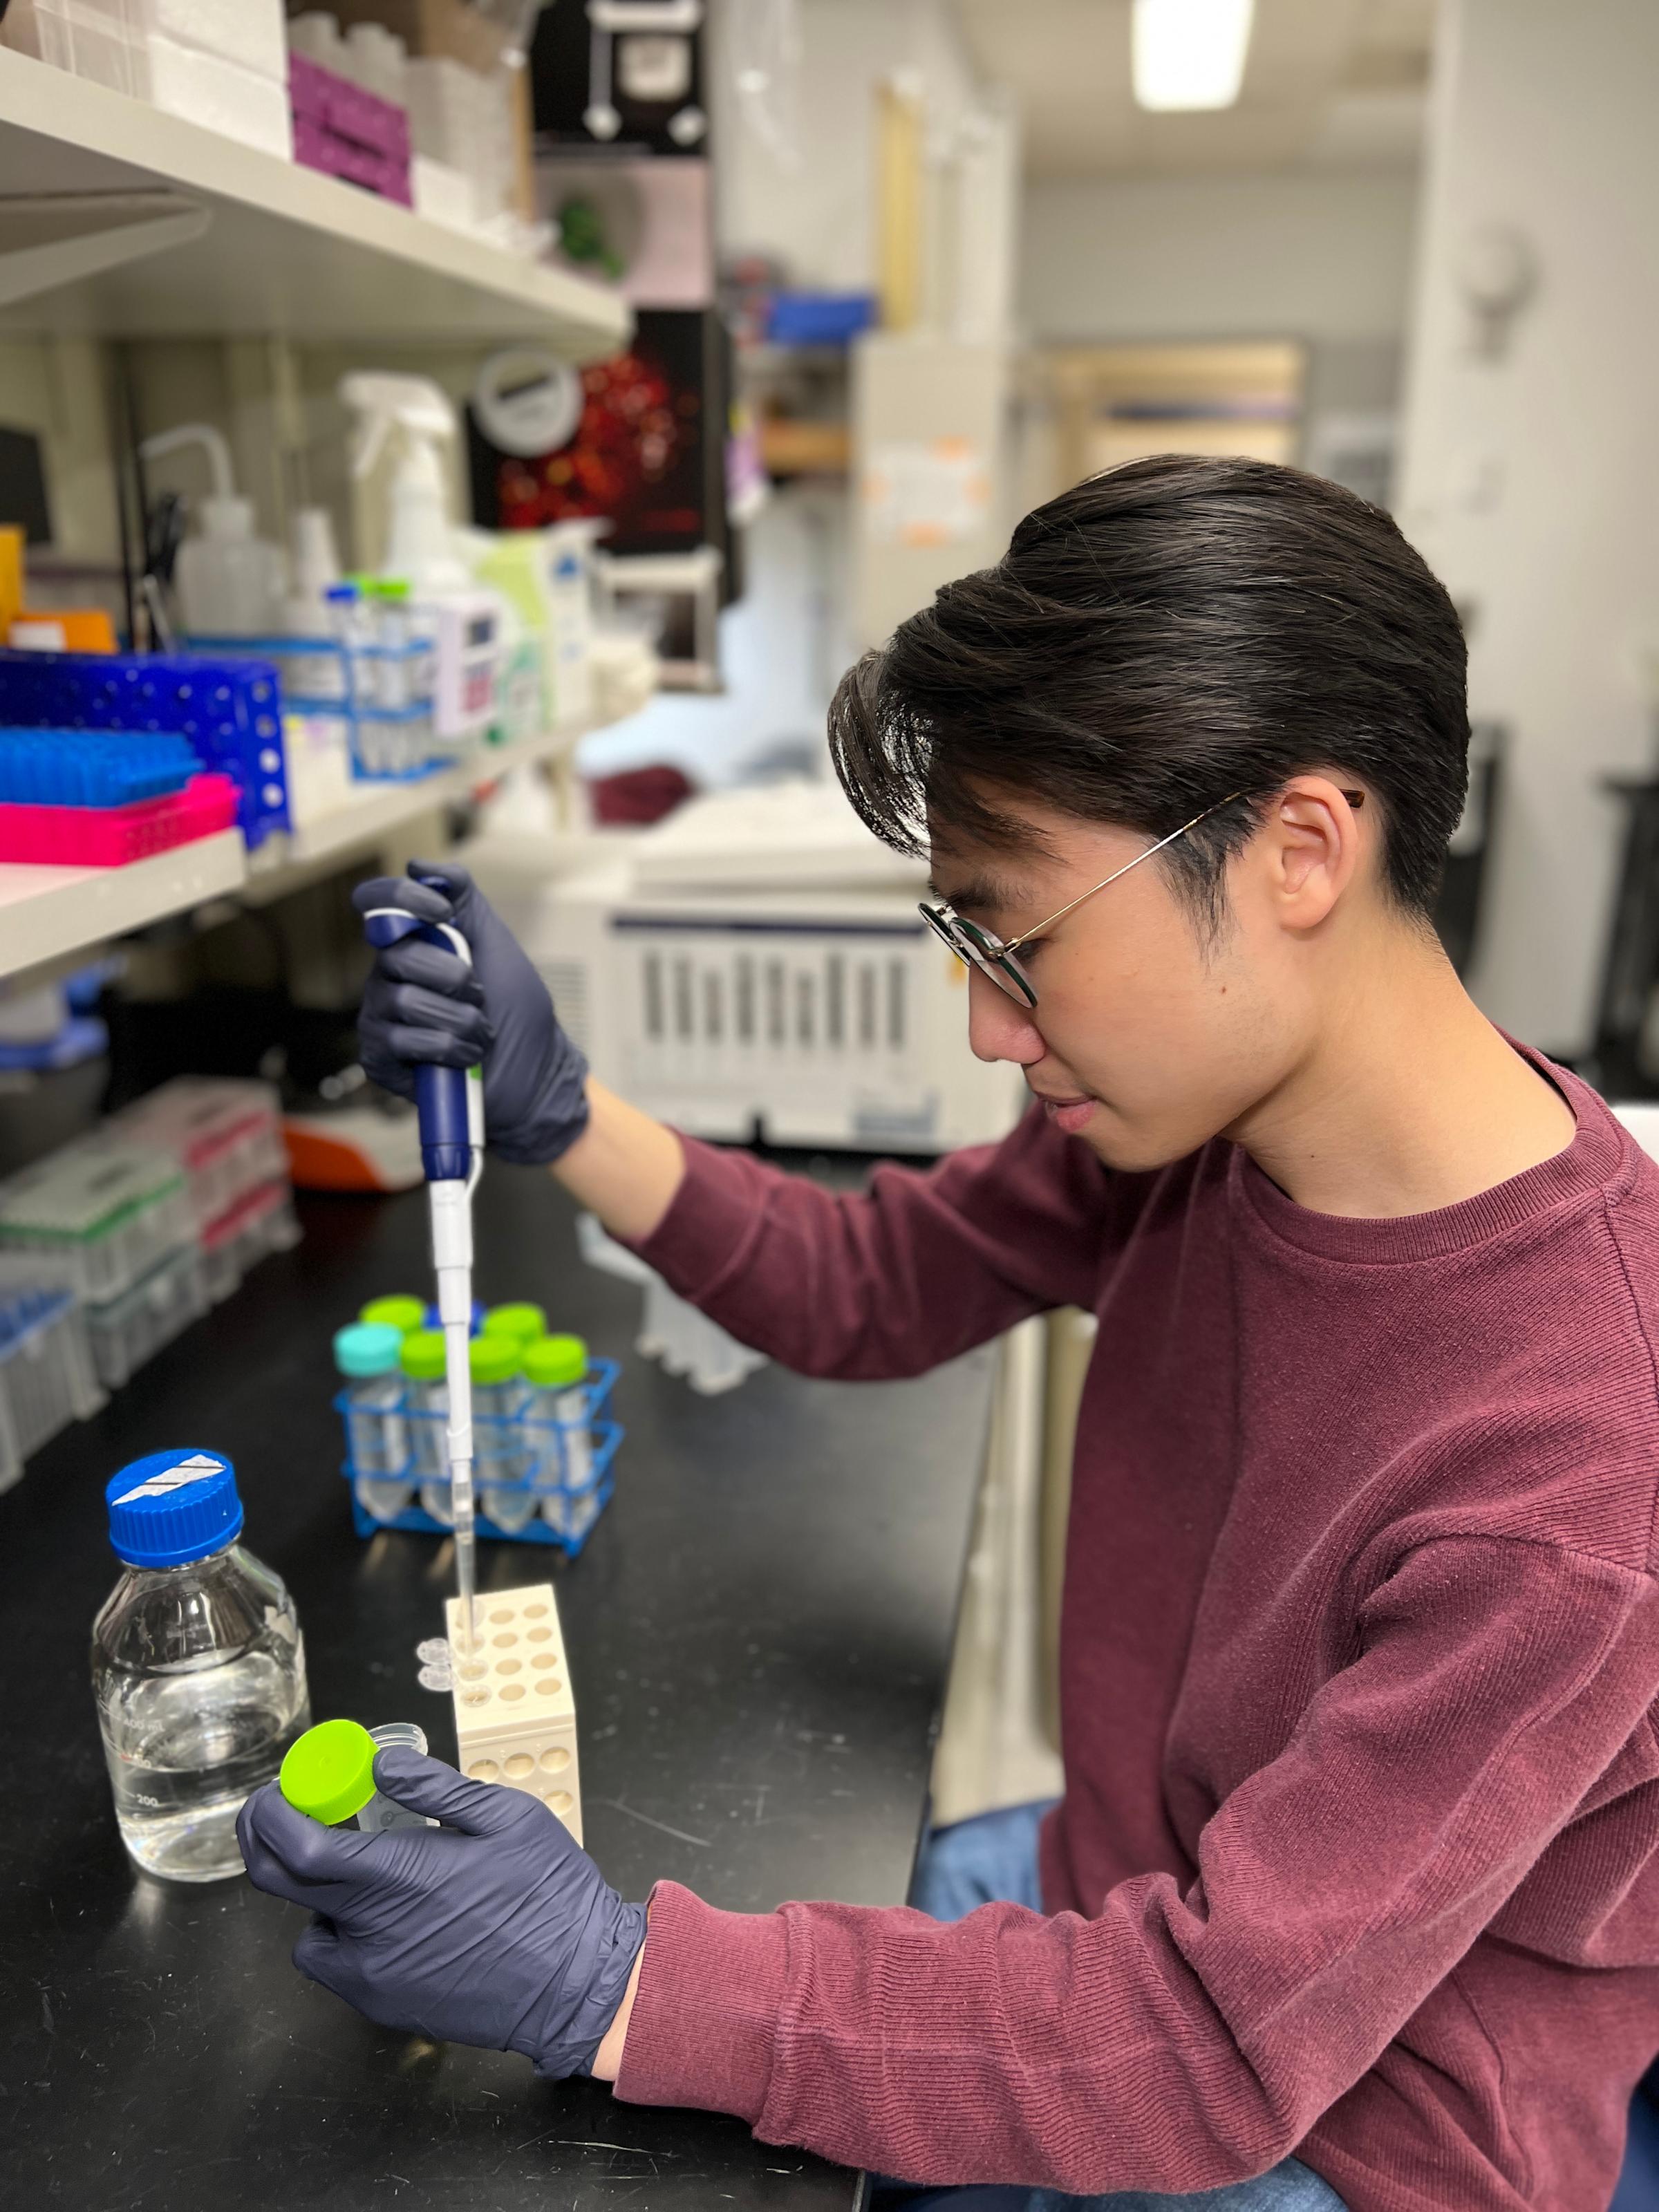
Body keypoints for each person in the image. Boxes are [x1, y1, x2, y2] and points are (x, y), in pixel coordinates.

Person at [238, 456, 1659, 2212]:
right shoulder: (1198, 1132)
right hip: (1131, 1909)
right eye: (956, 932)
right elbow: (872, 1285)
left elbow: (1201, 2051)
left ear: (1299, 849)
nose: (989, 1027)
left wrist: (608, 1980)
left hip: (1342, 2138)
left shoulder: (1579, 1475)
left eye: (1018, 935)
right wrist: (560, 1113)